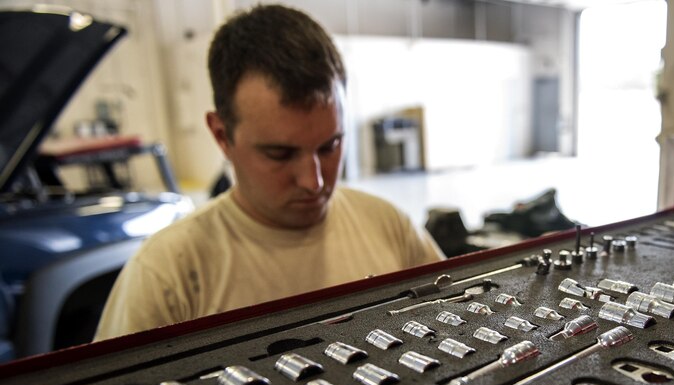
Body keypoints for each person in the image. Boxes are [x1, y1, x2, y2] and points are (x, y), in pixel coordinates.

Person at [95, 4, 443, 340]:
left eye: (330, 146)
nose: (314, 182)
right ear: (222, 135)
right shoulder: (166, 276)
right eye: (280, 154)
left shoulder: (390, 227)